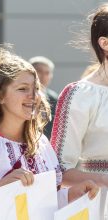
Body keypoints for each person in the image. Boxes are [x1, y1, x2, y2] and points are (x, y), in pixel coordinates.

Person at [0, 47, 99, 220]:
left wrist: (71, 195)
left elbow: (45, 204)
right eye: (23, 89)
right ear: (0, 96)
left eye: (36, 88)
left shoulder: (41, 143)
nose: (33, 96)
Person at [51, 4, 108, 218]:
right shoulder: (81, 94)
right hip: (99, 204)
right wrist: (103, 180)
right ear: (105, 43)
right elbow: (58, 171)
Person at [29, 56, 58, 139]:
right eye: (39, 71)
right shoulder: (21, 95)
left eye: (47, 73)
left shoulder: (54, 99)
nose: (43, 76)